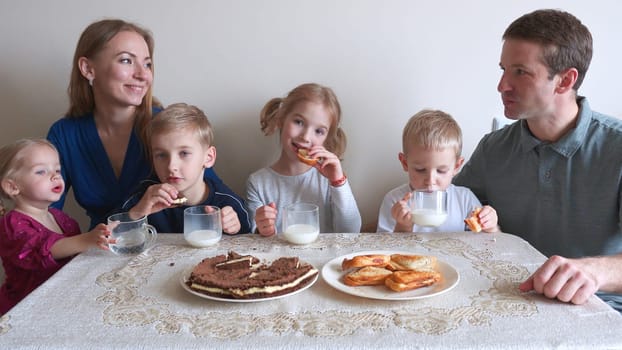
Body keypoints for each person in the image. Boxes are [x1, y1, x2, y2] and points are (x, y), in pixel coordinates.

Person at [453, 9, 622, 310]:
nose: (502, 85)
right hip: (504, 302)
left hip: (598, 310)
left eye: (520, 72)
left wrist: (593, 272)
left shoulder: (617, 147)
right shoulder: (493, 148)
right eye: (503, 69)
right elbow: (455, 218)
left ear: (565, 80)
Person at [46, 19, 220, 230]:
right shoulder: (64, 134)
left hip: (167, 250)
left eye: (147, 64)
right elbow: (43, 215)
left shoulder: (166, 127)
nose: (143, 74)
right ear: (88, 68)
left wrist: (230, 216)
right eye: (127, 61)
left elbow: (212, 194)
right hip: (100, 250)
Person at [0, 139, 115, 315]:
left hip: (61, 298)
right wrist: (86, 239)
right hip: (28, 308)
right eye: (41, 171)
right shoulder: (12, 224)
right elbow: (42, 250)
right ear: (13, 186)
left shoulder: (59, 216)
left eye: (57, 170)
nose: (55, 176)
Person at [246, 83, 361, 235]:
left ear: (327, 139)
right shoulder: (258, 183)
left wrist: (338, 182)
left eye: (319, 131)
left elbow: (351, 232)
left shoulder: (329, 181)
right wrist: (264, 229)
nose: (306, 137)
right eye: (299, 122)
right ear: (281, 119)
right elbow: (256, 240)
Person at [119, 103, 250, 234]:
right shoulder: (145, 197)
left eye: (184, 153)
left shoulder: (228, 203)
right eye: (161, 155)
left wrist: (235, 230)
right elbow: (108, 234)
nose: (171, 166)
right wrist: (137, 213)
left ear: (208, 157)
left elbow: (251, 246)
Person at [376, 109, 499, 233]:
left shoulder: (464, 199)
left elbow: (488, 245)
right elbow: (384, 249)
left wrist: (490, 227)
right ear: (404, 163)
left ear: (456, 166)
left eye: (441, 170)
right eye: (420, 170)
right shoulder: (395, 201)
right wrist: (403, 227)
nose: (430, 181)